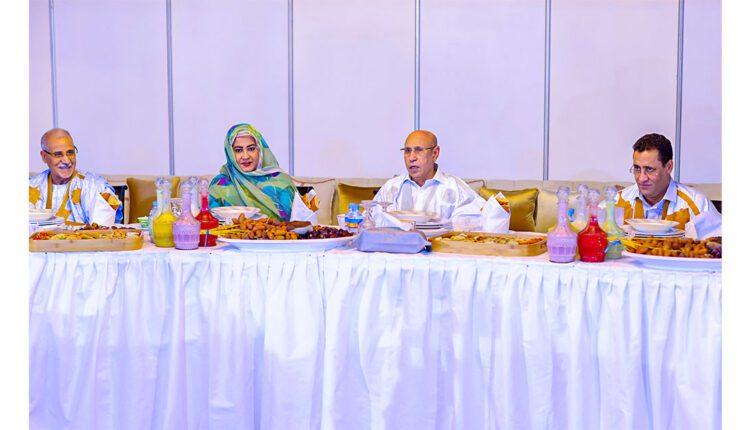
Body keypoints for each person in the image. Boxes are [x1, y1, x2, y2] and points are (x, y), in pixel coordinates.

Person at [617, 133, 721, 239]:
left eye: (649, 169)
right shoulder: (616, 202)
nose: (641, 178)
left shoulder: (697, 203)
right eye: (637, 168)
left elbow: (718, 243)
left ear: (669, 167)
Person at [209, 123, 316, 222]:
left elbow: (299, 223)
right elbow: (209, 224)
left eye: (251, 149)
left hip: (278, 236)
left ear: (260, 150)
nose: (245, 156)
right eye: (238, 150)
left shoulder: (281, 181)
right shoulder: (219, 184)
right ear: (230, 153)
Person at [374, 130, 486, 220]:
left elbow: (476, 224)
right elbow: (371, 221)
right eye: (407, 151)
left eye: (418, 150)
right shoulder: (391, 188)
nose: (411, 158)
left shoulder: (455, 188)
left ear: (435, 153)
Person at [29, 128, 122, 225]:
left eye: (70, 152)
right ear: (44, 157)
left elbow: (102, 229)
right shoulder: (30, 188)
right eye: (58, 154)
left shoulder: (95, 186)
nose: (66, 161)